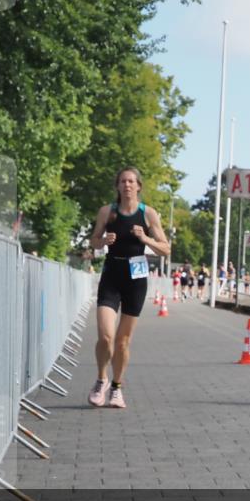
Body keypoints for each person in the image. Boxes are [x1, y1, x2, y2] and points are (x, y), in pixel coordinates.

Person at [87, 166, 170, 409]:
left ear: (139, 186)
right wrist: (102, 241)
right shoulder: (107, 212)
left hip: (136, 278)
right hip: (112, 274)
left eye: (131, 181)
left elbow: (166, 248)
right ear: (117, 186)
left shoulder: (148, 214)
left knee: (122, 341)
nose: (127, 185)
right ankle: (101, 380)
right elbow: (92, 240)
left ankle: (116, 387)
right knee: (105, 335)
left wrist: (145, 239)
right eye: (122, 181)